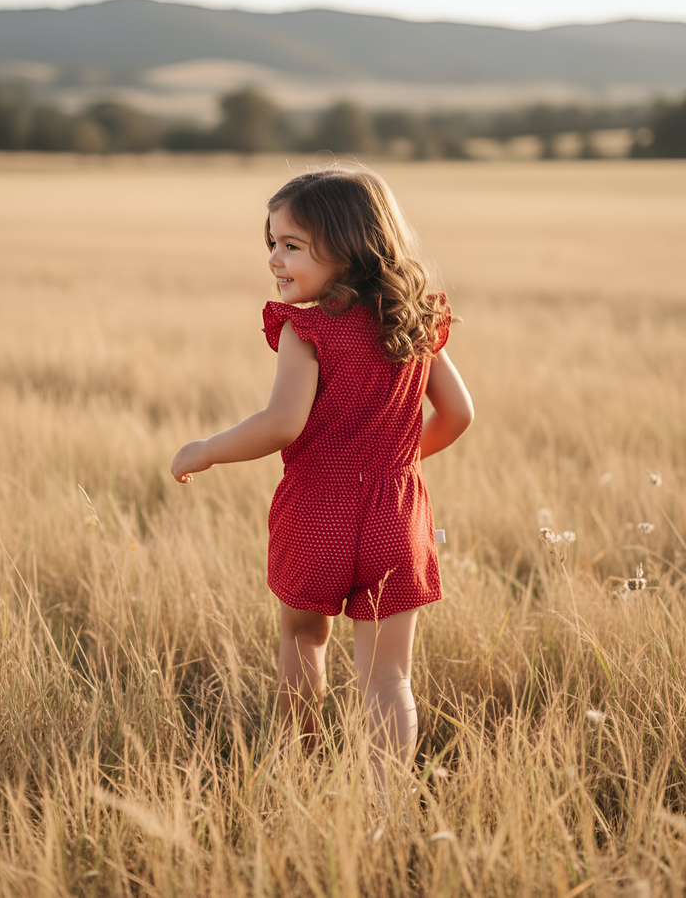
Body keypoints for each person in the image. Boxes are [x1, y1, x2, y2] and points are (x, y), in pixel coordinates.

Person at [171, 167, 473, 797]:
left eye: (292, 245)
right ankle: (387, 804)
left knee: (302, 639)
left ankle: (298, 772)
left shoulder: (304, 329)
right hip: (397, 513)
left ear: (348, 244)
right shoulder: (414, 319)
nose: (275, 260)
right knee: (388, 679)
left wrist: (206, 449)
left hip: (317, 512)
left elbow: (282, 423)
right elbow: (459, 415)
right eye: (271, 244)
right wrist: (393, 459)